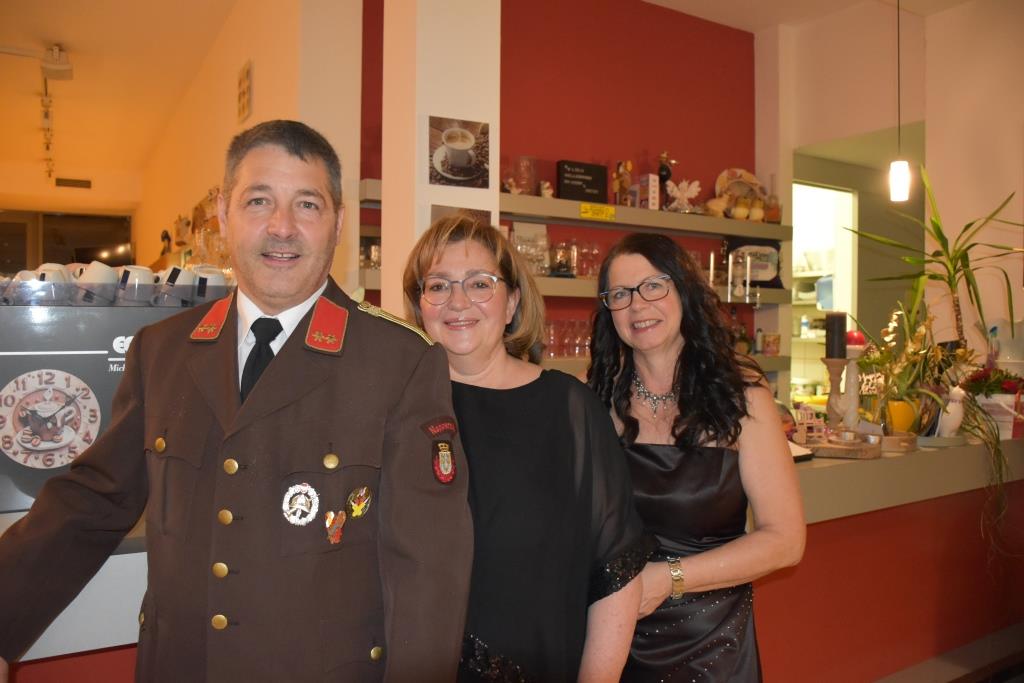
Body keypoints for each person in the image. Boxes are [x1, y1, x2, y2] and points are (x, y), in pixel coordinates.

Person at [0, 120, 473, 682]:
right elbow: (93, 499)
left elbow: (427, 569)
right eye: (258, 201)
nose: (282, 227)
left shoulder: (400, 361)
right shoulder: (162, 350)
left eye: (307, 204)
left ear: (338, 223)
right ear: (224, 215)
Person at [403, 216, 653, 682]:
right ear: (420, 306)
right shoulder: (395, 409)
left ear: (513, 301)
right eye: (438, 285)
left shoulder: (568, 408)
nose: (457, 301)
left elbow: (616, 568)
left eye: (480, 283)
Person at [586, 233, 805, 681]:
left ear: (683, 290)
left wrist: (666, 579)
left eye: (653, 286)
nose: (637, 306)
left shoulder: (742, 397)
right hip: (615, 637)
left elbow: (786, 540)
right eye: (620, 295)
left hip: (711, 644)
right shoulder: (598, 403)